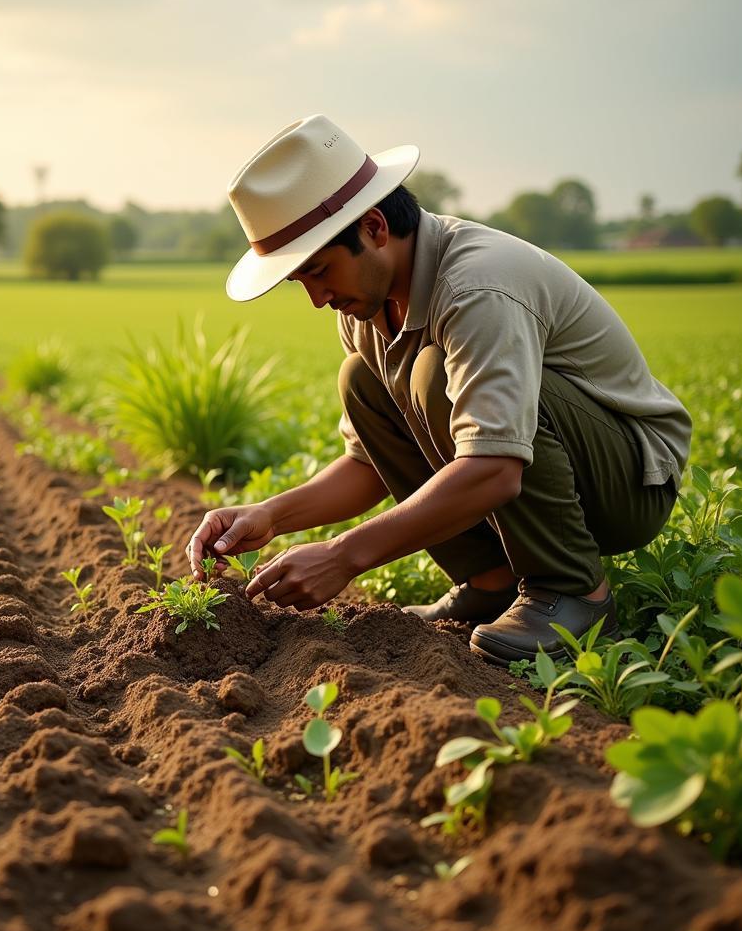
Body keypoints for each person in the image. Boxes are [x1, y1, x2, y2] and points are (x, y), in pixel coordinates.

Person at [185, 114, 691, 665]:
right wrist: (270, 515)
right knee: (360, 380)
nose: (316, 297)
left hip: (629, 482)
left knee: (432, 374)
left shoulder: (477, 286)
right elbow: (369, 465)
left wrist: (343, 556)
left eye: (319, 270)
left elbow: (495, 466)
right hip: (545, 464)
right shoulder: (365, 306)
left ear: (375, 228)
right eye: (300, 281)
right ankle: (491, 581)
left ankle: (573, 591)